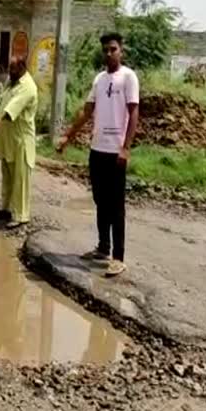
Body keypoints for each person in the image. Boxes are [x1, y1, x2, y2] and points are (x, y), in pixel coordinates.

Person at [57, 33, 140, 277]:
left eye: (113, 49)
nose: (108, 53)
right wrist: (67, 137)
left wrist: (126, 147)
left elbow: (134, 113)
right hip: (97, 150)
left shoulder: (128, 77)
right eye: (105, 50)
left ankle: (118, 256)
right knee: (99, 200)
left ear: (121, 50)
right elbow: (87, 112)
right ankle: (103, 248)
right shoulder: (99, 80)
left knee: (116, 206)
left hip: (115, 152)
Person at [0, 56, 38, 229]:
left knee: (20, 179)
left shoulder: (28, 87)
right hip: (10, 139)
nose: (10, 72)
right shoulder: (14, 82)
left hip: (22, 141)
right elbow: (5, 101)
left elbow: (12, 110)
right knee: (8, 176)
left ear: (23, 67)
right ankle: (6, 209)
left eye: (13, 68)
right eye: (9, 68)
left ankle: (20, 215)